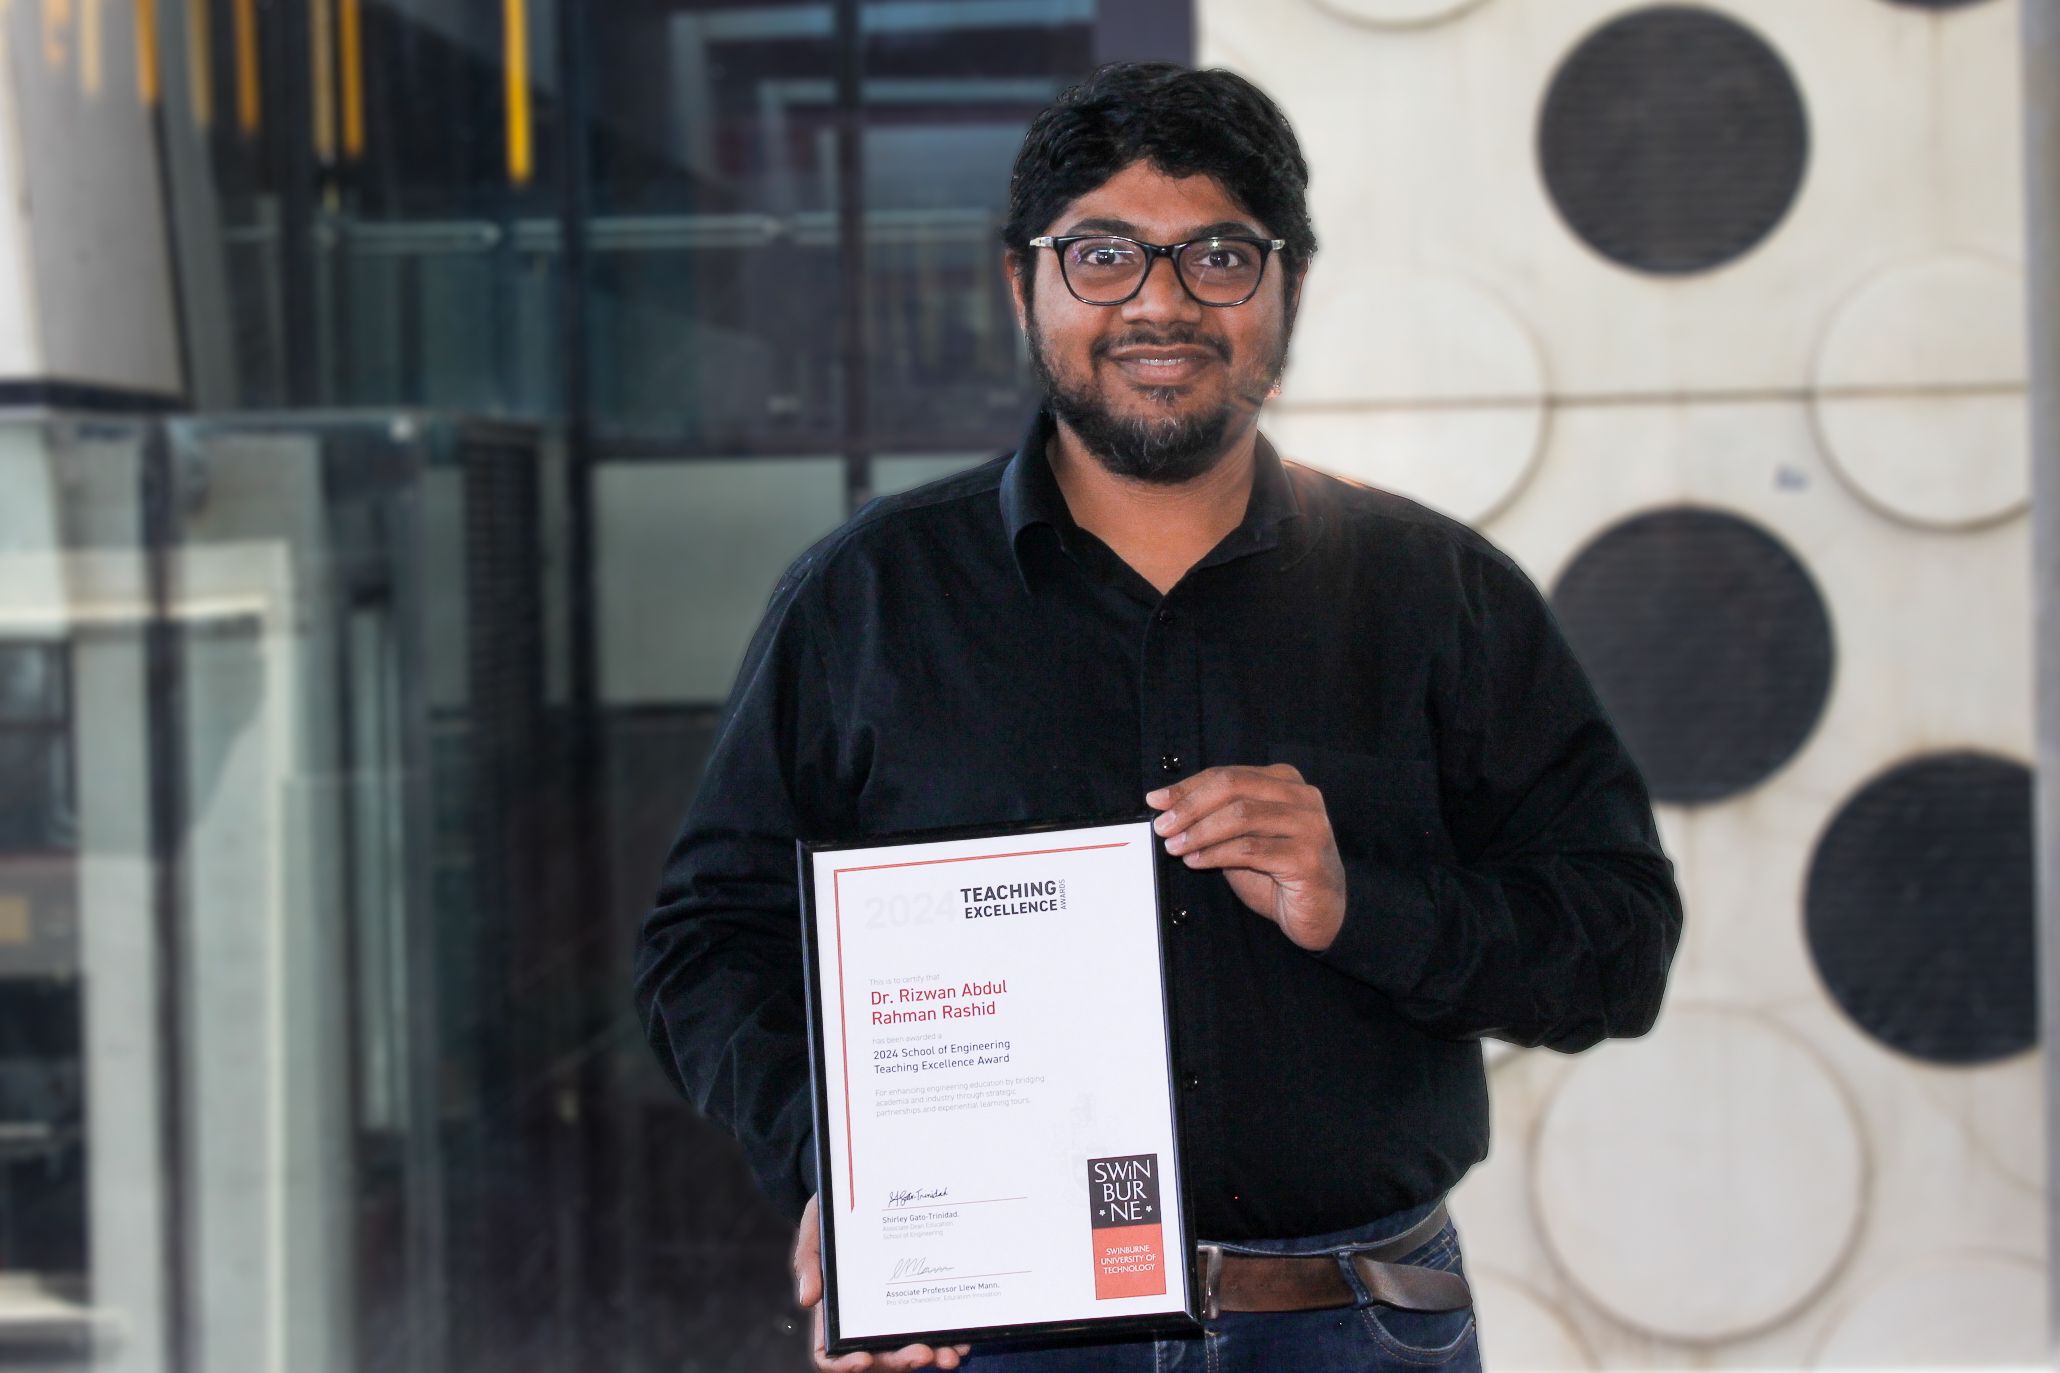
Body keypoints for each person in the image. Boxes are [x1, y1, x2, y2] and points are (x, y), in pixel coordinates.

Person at [634, 61, 1683, 1373]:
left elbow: (1620, 942)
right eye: (1104, 255)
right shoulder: (869, 599)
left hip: (1356, 1327)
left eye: (1219, 258)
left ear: (1288, 289)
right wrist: (847, 1168)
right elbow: (705, 945)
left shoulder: (1439, 595)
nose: (1161, 303)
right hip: (997, 1333)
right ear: (1025, 286)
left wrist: (1368, 902)